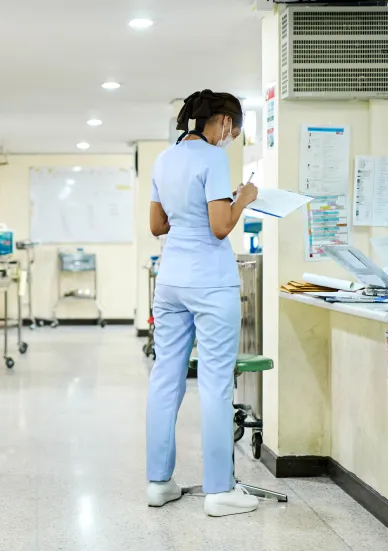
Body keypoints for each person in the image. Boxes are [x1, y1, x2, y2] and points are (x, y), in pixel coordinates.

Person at [145, 90, 260, 517]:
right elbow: (219, 227)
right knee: (214, 382)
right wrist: (243, 198)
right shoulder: (213, 158)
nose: (231, 137)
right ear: (224, 122)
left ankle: (158, 483)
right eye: (235, 129)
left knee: (164, 379)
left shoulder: (164, 158)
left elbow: (157, 224)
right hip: (210, 283)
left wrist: (190, 212)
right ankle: (219, 491)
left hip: (171, 279)